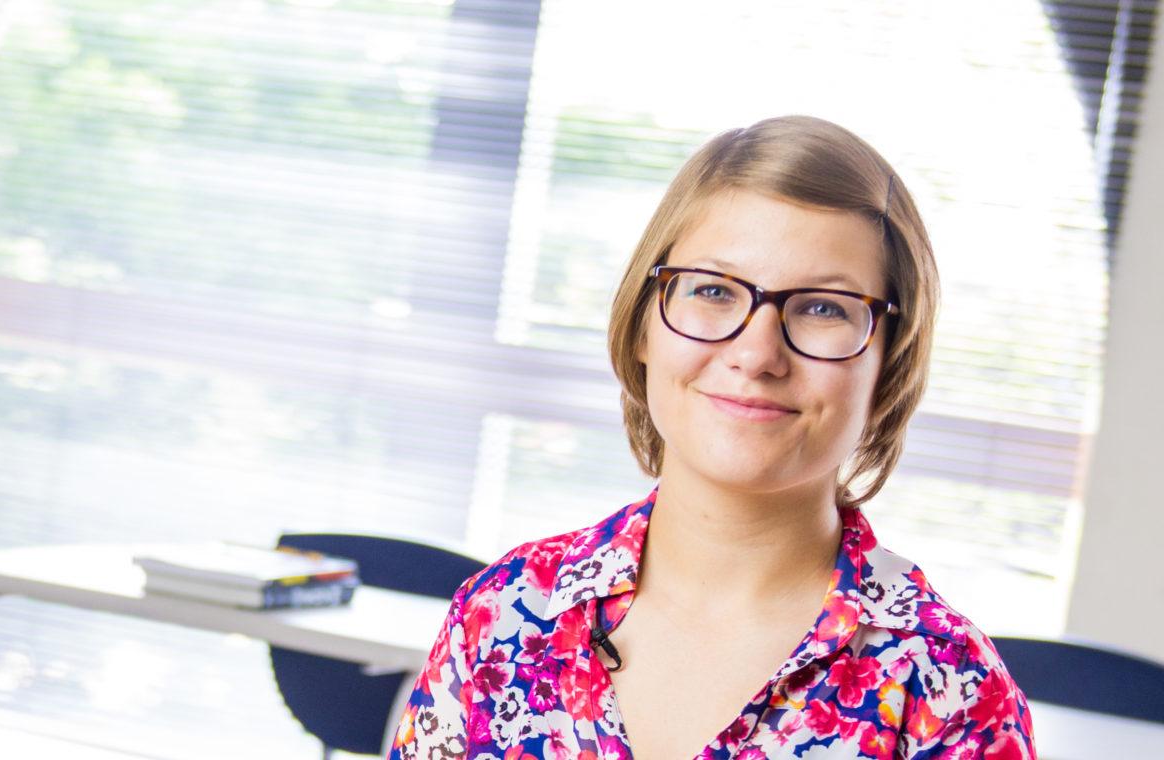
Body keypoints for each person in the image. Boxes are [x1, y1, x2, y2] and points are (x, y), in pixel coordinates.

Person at [388, 116, 1032, 759]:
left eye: (823, 308)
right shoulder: (504, 613)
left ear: (889, 363)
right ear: (643, 328)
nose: (756, 355)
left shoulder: (951, 692)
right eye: (713, 291)